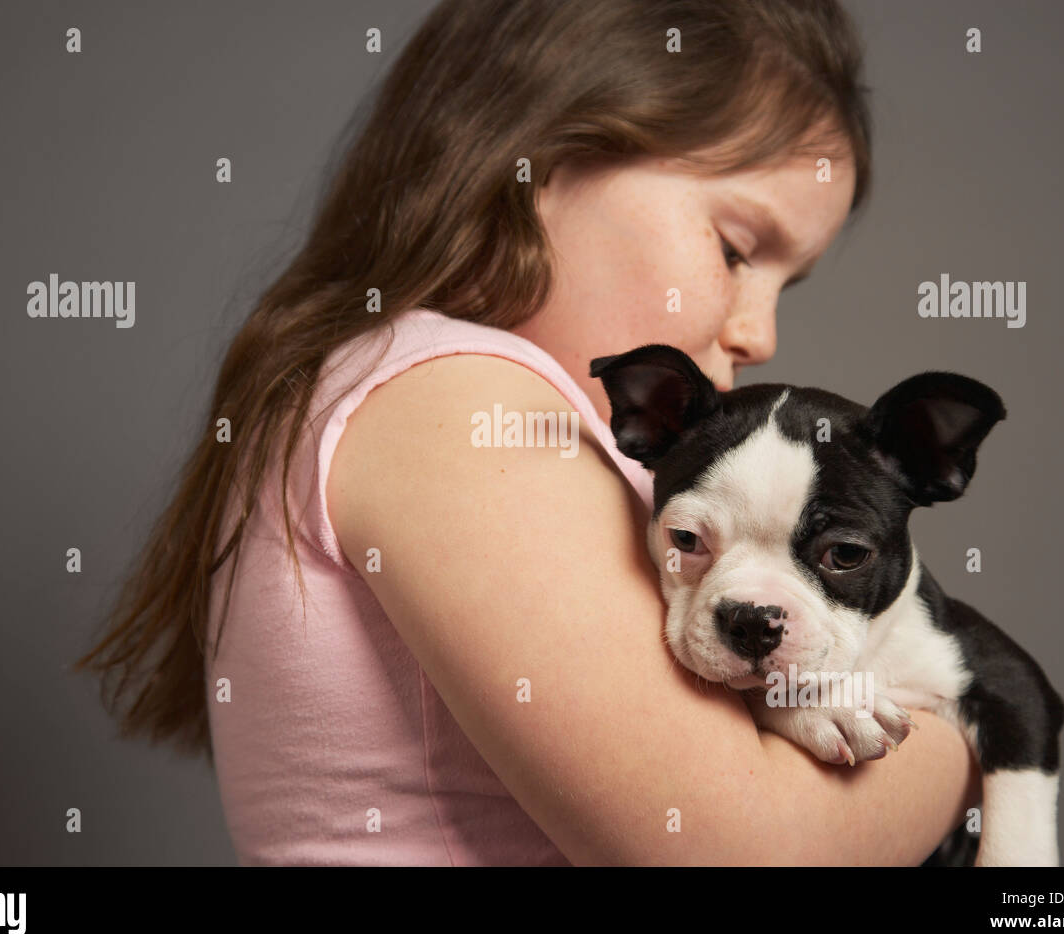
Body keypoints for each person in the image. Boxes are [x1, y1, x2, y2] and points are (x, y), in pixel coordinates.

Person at [76, 0, 981, 865]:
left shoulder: (406, 394)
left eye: (789, 285)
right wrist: (972, 741)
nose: (760, 333)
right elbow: (733, 848)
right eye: (737, 249)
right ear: (546, 158)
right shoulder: (460, 406)